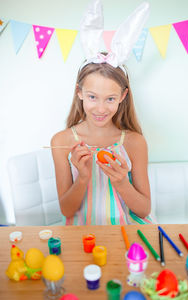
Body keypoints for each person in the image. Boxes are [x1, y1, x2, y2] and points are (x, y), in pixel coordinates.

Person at [51, 60, 155, 225]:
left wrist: (121, 182)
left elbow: (144, 210)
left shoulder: (134, 142)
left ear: (122, 96)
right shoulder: (61, 141)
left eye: (110, 99)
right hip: (82, 234)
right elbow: (66, 210)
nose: (100, 109)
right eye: (92, 97)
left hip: (127, 229)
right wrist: (83, 177)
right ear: (79, 92)